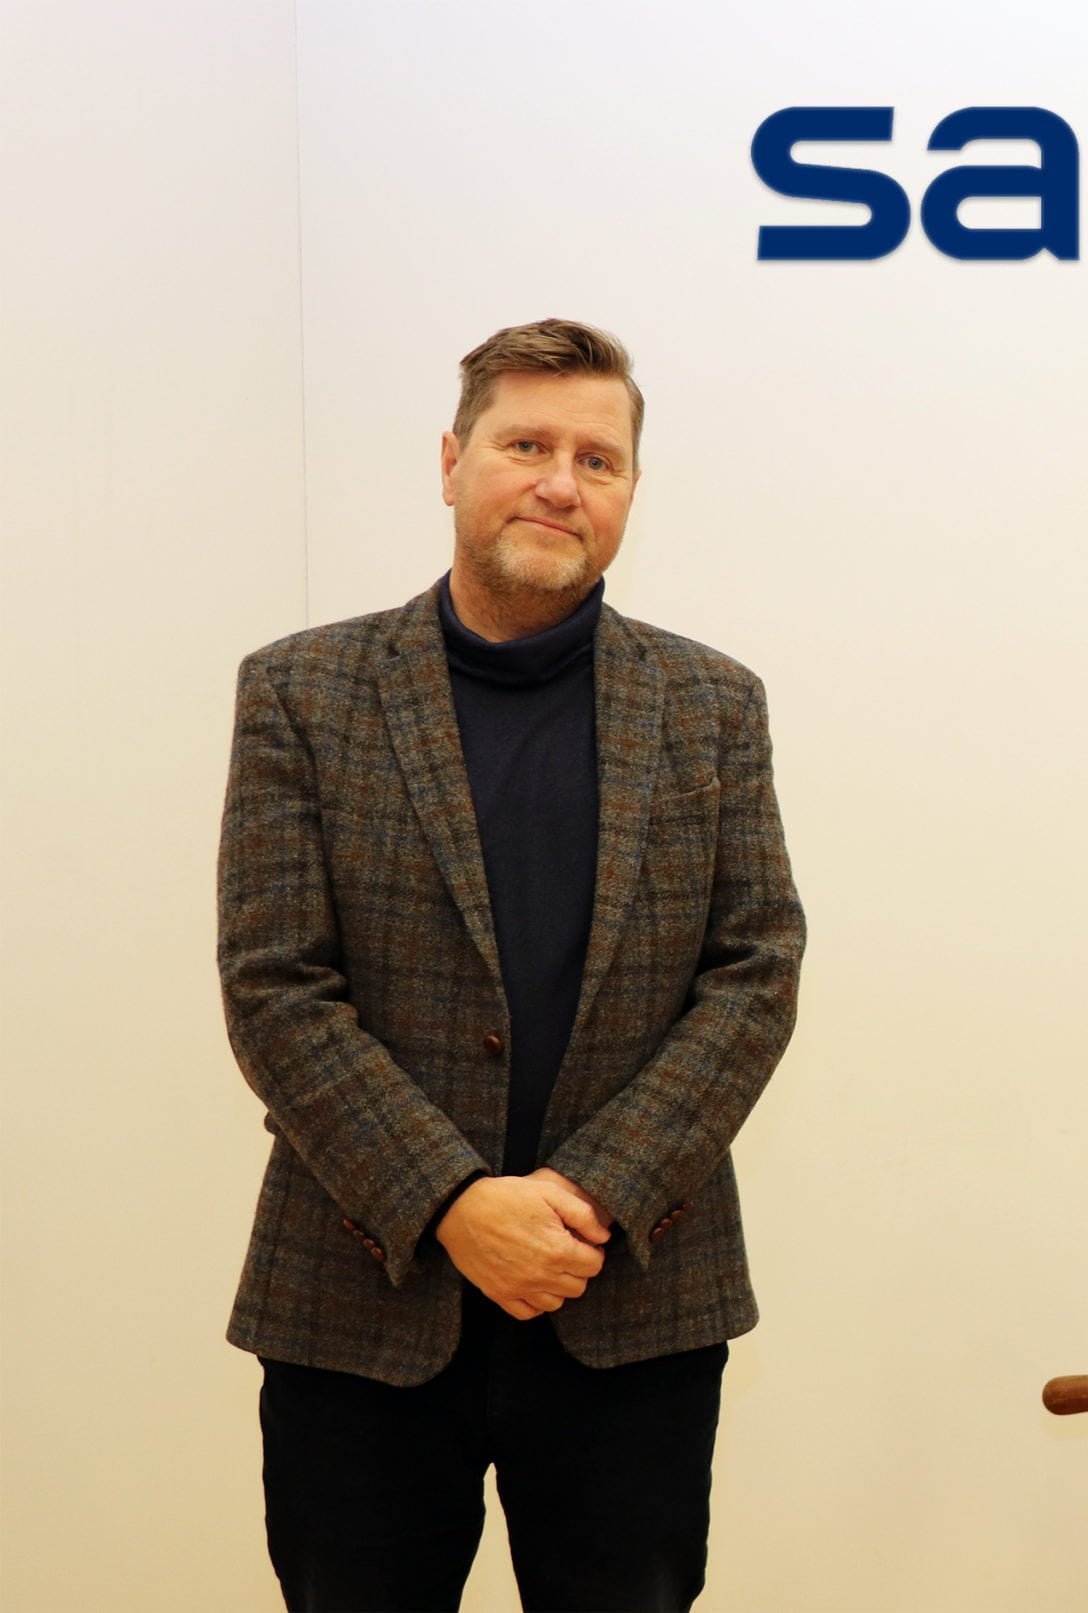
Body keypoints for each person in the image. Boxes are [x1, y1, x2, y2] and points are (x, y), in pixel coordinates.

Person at [217, 319, 805, 1610]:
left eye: (597, 458)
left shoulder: (714, 704)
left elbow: (755, 971)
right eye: (525, 445)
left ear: (630, 489)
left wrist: (587, 1194)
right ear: (451, 461)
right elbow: (274, 984)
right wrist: (452, 1202)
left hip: (630, 1299)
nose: (560, 482)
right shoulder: (302, 691)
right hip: (359, 1298)